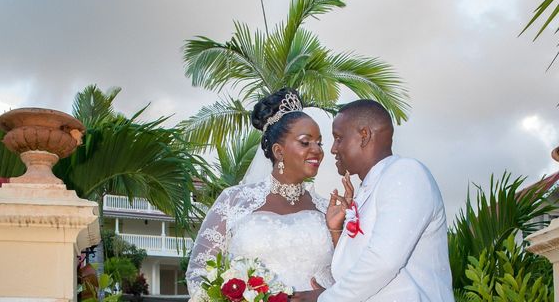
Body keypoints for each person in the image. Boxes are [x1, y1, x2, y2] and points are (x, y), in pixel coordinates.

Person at [185, 88, 353, 300]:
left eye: (319, 143)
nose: (317, 150)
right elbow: (199, 274)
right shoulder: (234, 201)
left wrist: (325, 296)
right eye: (305, 142)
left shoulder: (328, 211)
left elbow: (354, 277)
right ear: (278, 151)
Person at [293, 99, 454, 302]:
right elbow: (355, 266)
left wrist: (325, 299)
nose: (333, 149)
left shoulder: (405, 173)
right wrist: (336, 230)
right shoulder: (367, 190)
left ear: (364, 136)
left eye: (339, 138)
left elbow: (384, 262)